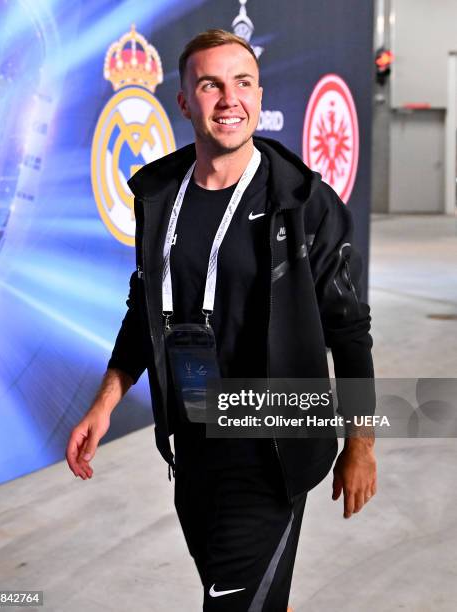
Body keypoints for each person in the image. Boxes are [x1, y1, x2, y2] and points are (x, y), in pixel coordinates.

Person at [66, 29, 377, 612]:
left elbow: (350, 332)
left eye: (243, 83)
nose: (228, 99)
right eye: (210, 84)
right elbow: (145, 308)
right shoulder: (158, 194)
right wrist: (106, 401)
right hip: (194, 441)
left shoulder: (305, 203)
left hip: (273, 446)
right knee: (252, 596)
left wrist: (360, 442)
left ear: (259, 96)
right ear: (184, 101)